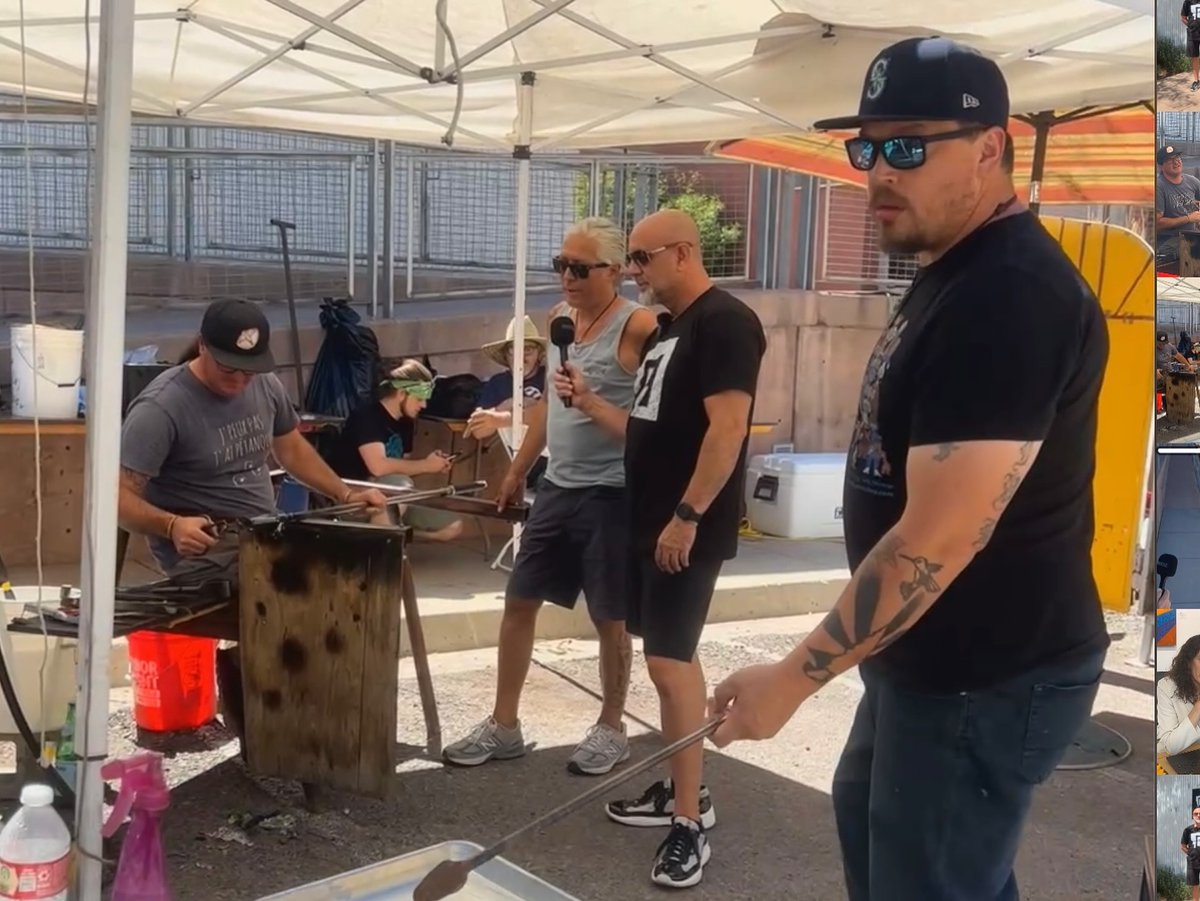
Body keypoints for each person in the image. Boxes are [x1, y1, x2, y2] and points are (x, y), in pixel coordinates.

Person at [706, 37, 1111, 901]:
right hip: (925, 656)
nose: (879, 172)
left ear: (991, 148)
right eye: (867, 149)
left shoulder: (1010, 294)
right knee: (888, 841)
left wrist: (791, 677)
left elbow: (940, 534)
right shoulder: (954, 267)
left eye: (907, 146)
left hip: (988, 668)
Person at [554, 208, 766, 889]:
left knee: (671, 667)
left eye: (642, 258)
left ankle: (689, 822)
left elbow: (728, 430)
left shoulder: (726, 321)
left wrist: (687, 515)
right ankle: (685, 789)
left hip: (680, 527)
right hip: (650, 523)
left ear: (682, 252)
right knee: (672, 661)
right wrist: (588, 403)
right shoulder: (675, 331)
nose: (634, 272)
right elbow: (643, 427)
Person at [442, 217, 659, 777]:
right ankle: (505, 724)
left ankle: (612, 726)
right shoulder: (561, 320)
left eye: (579, 268)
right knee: (519, 601)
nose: (566, 277)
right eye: (560, 264)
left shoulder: (639, 328)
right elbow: (546, 407)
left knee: (610, 616)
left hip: (613, 491)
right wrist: (518, 468)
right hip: (559, 484)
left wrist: (591, 404)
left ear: (613, 271)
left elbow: (653, 425)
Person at [119, 298, 387, 583]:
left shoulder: (265, 384)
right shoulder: (161, 408)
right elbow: (116, 498)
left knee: (361, 566)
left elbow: (293, 449)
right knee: (304, 584)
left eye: (248, 371)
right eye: (228, 369)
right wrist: (172, 526)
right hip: (206, 550)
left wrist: (344, 494)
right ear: (202, 347)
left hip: (263, 531)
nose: (239, 381)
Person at [325, 358, 464, 541]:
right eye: (420, 398)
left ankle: (390, 538)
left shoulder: (406, 422)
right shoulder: (367, 417)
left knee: (453, 526)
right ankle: (380, 549)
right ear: (401, 393)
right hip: (355, 495)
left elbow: (401, 467)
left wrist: (433, 463)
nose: (424, 405)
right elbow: (378, 467)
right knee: (398, 486)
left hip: (394, 494)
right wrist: (425, 465)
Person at [464, 316, 548, 441]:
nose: (521, 356)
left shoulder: (551, 377)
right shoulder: (497, 383)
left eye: (528, 349)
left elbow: (551, 417)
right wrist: (509, 404)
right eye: (514, 349)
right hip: (512, 457)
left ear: (539, 353)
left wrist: (501, 419)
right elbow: (478, 432)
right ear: (506, 354)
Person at [1156, 145, 1200, 275]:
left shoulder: (1191, 181)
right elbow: (1157, 224)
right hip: (1170, 241)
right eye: (1170, 160)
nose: (1177, 162)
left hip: (1193, 235)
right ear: (1161, 166)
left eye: (1178, 157)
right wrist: (1188, 218)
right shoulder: (1159, 187)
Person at [1159, 635, 1200, 757]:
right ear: (1188, 662)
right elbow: (1171, 747)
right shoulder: (1167, 686)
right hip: (1178, 756)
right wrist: (1198, 706)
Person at [1183, 807, 1200, 901]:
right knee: (1195, 886)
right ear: (1192, 816)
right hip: (1193, 862)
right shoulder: (1188, 830)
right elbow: (1183, 846)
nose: (1198, 815)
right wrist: (1191, 854)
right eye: (1196, 813)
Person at [1184, 1, 1200, 93]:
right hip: (1193, 34)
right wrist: (1191, 27)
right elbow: (1183, 17)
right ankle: (1196, 81)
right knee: (1194, 57)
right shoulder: (1188, 1)